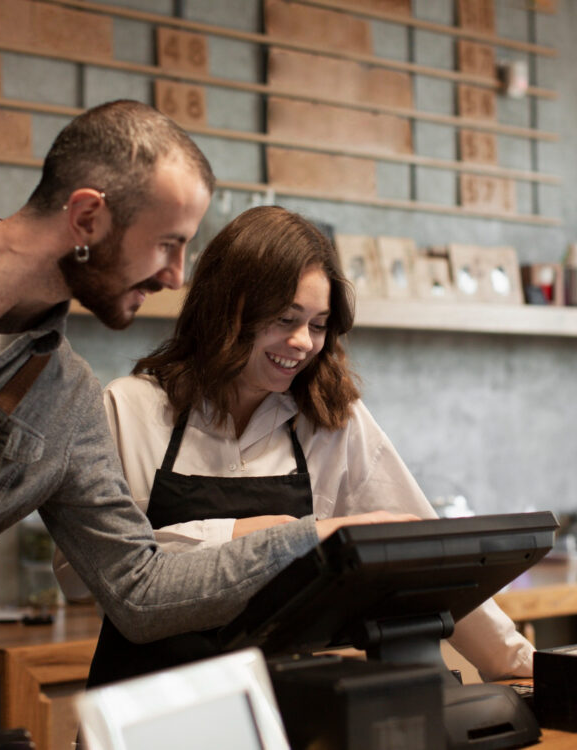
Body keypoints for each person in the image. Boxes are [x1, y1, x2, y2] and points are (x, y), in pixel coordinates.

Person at [0, 101, 408, 745]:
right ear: (87, 216)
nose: (176, 277)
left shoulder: (67, 401)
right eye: (168, 244)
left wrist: (312, 538)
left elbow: (139, 591)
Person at [55, 205, 535, 686]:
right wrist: (261, 534)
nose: (303, 342)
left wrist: (518, 662)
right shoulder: (129, 408)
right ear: (227, 309)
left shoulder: (331, 420)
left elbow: (429, 559)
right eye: (285, 318)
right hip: (145, 712)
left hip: (282, 712)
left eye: (319, 324)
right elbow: (80, 578)